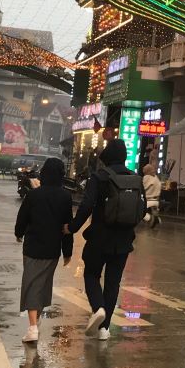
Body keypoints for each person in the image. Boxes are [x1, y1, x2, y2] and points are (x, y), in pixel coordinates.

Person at [70, 140, 139, 341]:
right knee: (113, 283)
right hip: (124, 241)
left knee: (91, 274)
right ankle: (104, 329)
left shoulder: (99, 177)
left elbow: (86, 206)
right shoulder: (135, 178)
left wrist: (73, 227)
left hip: (99, 238)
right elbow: (140, 210)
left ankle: (98, 308)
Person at [14, 157, 73, 344]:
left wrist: (19, 233)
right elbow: (67, 226)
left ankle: (32, 327)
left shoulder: (34, 195)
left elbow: (22, 217)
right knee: (43, 285)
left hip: (33, 247)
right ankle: (36, 321)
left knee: (32, 284)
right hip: (52, 249)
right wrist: (68, 251)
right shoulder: (65, 197)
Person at [142, 163, 161, 230]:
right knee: (154, 211)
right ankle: (157, 219)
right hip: (156, 200)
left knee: (139, 212)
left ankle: (150, 218)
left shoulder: (147, 177)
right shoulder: (156, 178)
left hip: (148, 200)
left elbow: (143, 188)